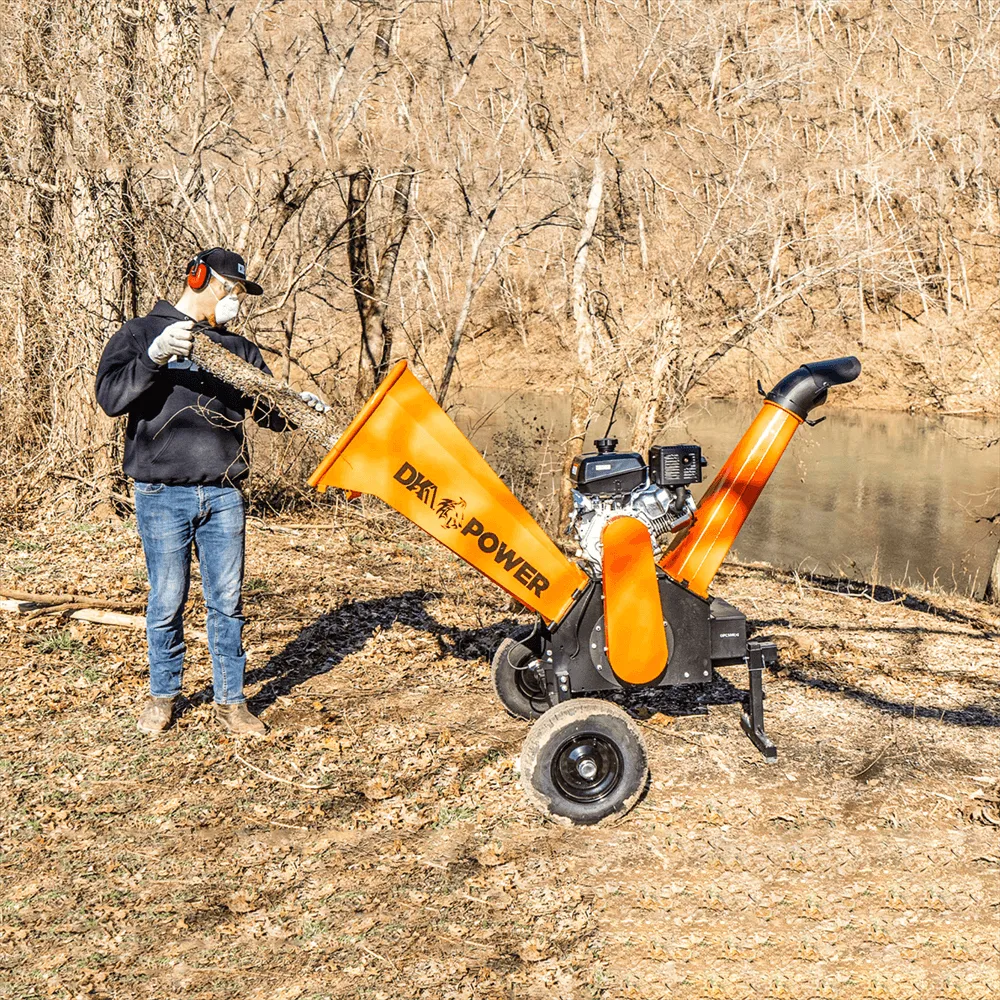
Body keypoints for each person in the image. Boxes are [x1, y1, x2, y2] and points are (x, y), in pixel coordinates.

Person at [95, 247, 328, 737]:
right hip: (160, 494)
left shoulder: (239, 351)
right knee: (166, 600)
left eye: (240, 293)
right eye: (229, 289)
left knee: (227, 602)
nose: (235, 302)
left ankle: (232, 702)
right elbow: (112, 399)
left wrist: (296, 405)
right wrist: (155, 357)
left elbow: (268, 412)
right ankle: (163, 697)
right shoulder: (140, 333)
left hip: (224, 494)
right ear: (198, 277)